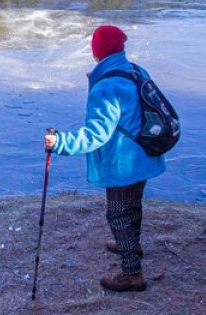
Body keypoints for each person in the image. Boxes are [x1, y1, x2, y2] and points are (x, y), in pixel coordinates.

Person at [44, 25, 165, 293]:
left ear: (96, 51)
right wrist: (98, 79)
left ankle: (132, 274)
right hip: (144, 154)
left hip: (122, 163)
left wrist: (60, 142)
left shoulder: (106, 87)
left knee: (117, 215)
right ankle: (132, 244)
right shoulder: (136, 71)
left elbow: (95, 136)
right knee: (133, 206)